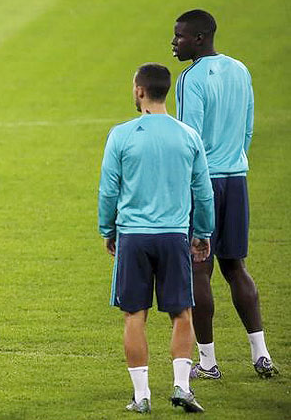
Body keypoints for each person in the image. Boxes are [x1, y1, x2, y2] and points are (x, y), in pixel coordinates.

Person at [99, 63, 214, 413]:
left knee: (135, 315)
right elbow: (204, 191)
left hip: (133, 236)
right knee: (182, 314)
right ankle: (182, 387)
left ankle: (142, 395)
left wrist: (108, 229)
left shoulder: (121, 134)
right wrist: (202, 232)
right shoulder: (188, 135)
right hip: (174, 236)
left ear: (139, 91)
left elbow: (108, 190)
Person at [172, 9, 278, 379]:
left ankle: (208, 362)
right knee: (236, 267)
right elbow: (248, 127)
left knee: (198, 267)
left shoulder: (190, 79)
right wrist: (235, 159)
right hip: (236, 178)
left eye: (180, 36)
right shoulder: (240, 70)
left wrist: (186, 186)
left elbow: (190, 140)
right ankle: (261, 354)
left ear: (199, 38)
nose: (174, 42)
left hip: (205, 182)